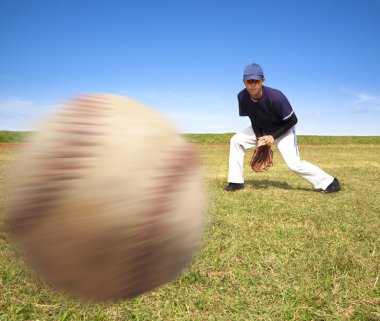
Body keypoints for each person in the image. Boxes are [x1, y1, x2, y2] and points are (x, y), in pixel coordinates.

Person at [224, 63, 341, 193]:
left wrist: (272, 137)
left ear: (262, 80)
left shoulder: (276, 96)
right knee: (236, 140)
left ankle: (330, 182)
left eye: (256, 80)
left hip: (283, 129)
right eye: (249, 81)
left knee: (294, 164)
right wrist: (259, 138)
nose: (252, 84)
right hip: (263, 128)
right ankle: (236, 182)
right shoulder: (242, 96)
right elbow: (254, 118)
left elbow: (293, 120)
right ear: (244, 82)